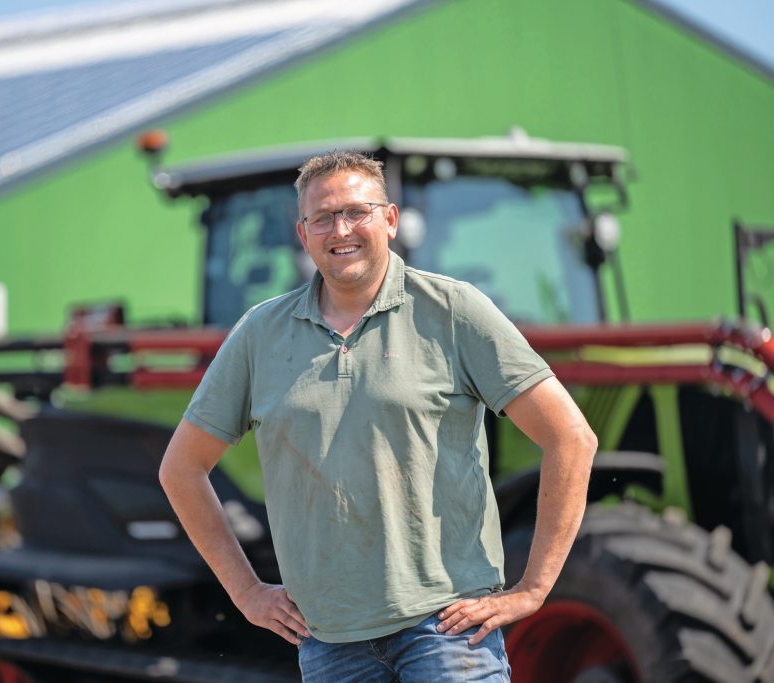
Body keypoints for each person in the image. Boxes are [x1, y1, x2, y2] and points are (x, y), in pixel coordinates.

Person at [159, 151, 597, 682]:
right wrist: (247, 591)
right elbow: (181, 469)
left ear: (389, 219)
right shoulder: (259, 334)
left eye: (356, 212)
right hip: (329, 641)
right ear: (303, 234)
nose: (340, 230)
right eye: (323, 217)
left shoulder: (452, 310)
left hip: (448, 631)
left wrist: (533, 589)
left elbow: (571, 437)